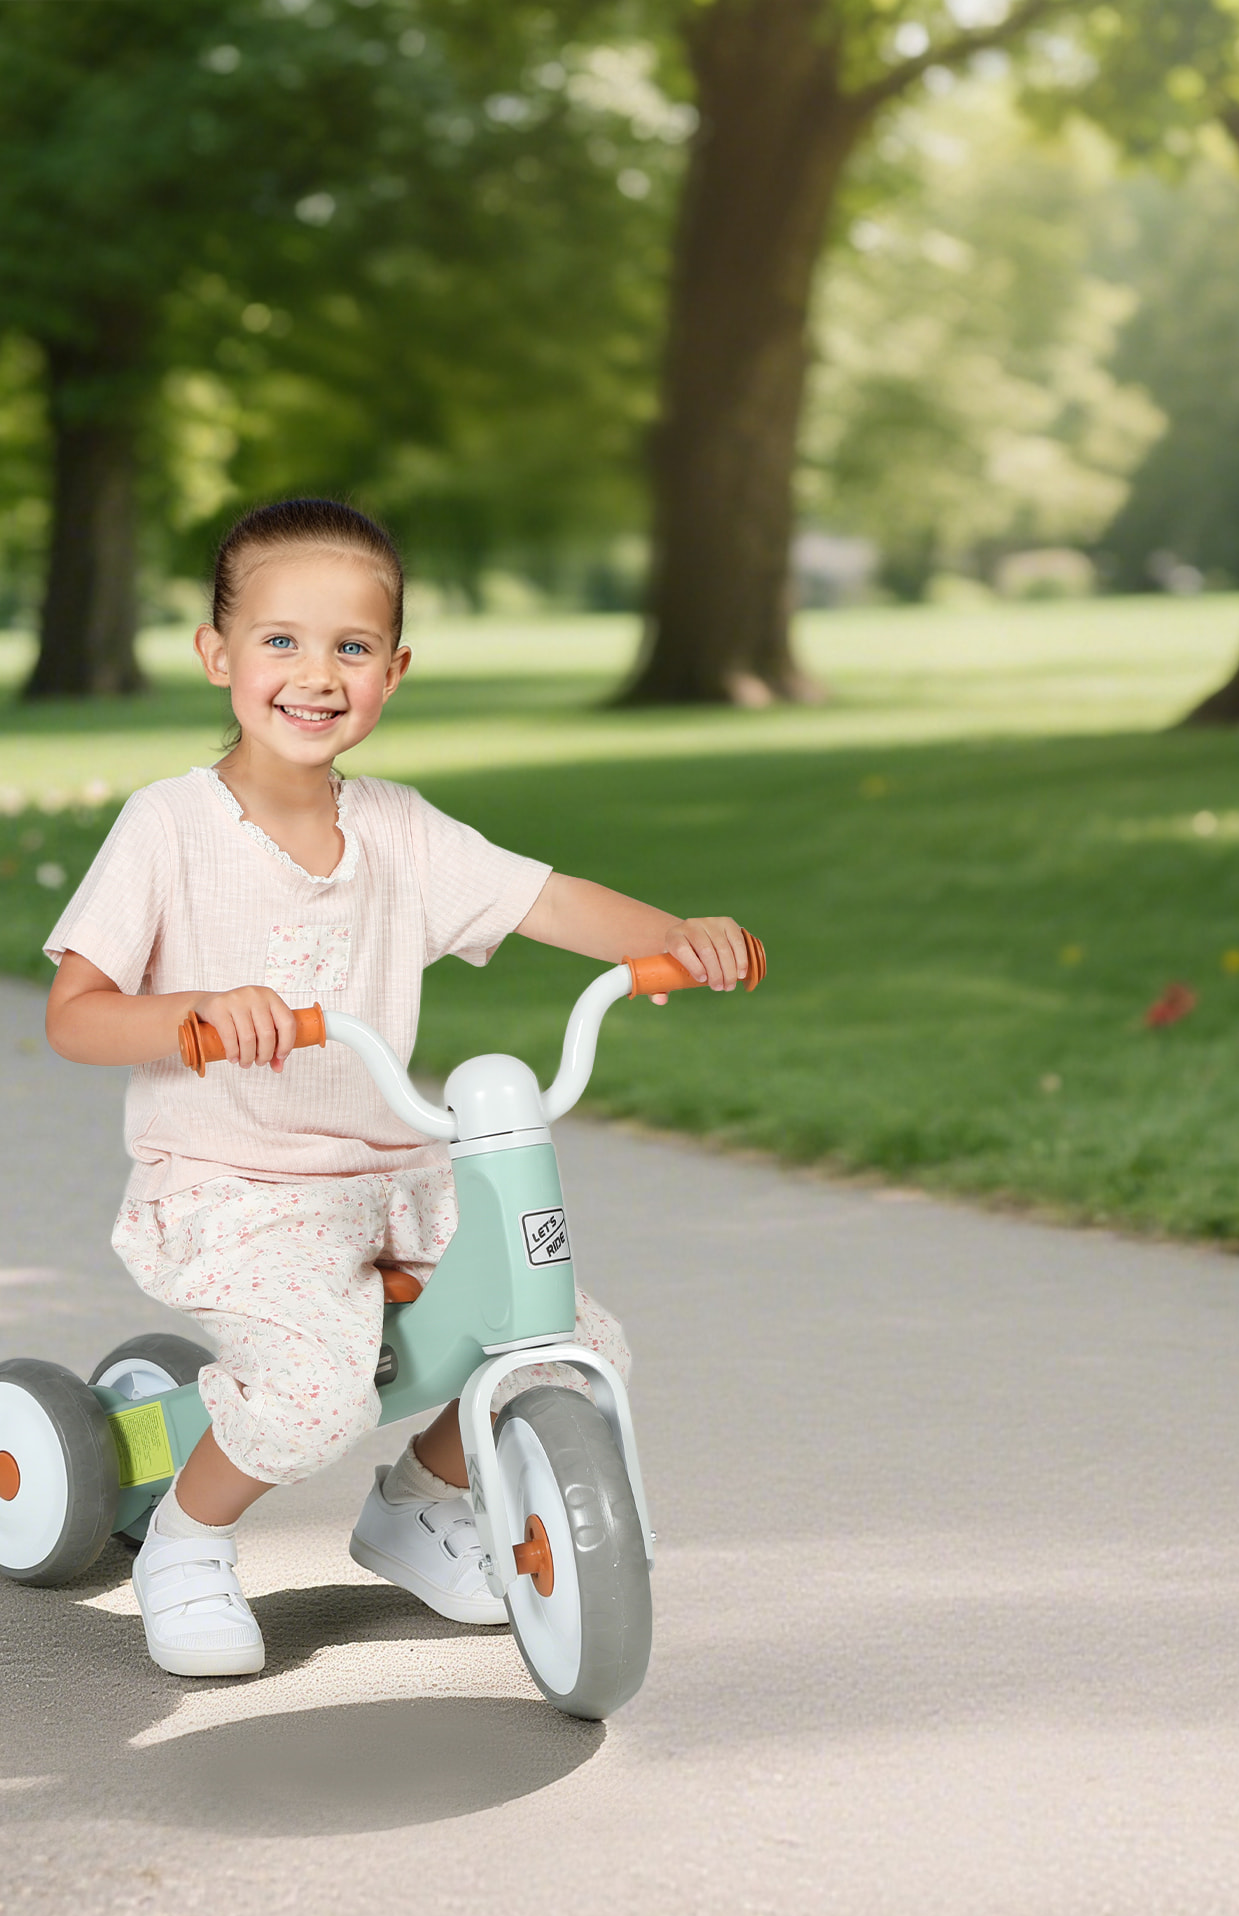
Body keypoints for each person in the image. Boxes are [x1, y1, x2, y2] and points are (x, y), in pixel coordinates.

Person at [44, 498, 750, 1678]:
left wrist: (673, 934)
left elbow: (547, 899)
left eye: (350, 648)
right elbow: (75, 1016)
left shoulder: (400, 831)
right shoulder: (167, 827)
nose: (314, 674)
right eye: (279, 641)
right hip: (237, 1186)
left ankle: (420, 1504)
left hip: (393, 1175)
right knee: (315, 1390)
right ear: (216, 654)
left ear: (393, 669)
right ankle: (186, 1539)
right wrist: (194, 1013)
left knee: (565, 1337)